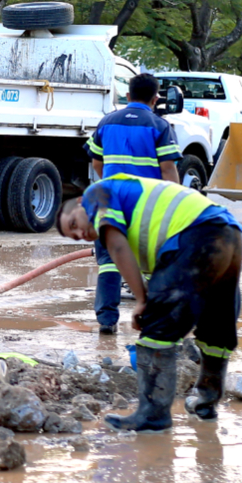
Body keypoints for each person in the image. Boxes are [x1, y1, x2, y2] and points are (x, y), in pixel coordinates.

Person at [57, 174, 242, 431]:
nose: (81, 233)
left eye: (74, 223)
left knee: (157, 328)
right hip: (228, 232)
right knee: (217, 323)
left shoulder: (95, 193)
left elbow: (118, 249)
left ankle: (153, 414)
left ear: (80, 203)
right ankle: (207, 402)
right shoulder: (134, 217)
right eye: (76, 237)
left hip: (195, 233)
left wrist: (143, 301)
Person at [84, 73, 181, 335]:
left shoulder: (106, 122)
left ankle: (106, 321)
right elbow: (168, 169)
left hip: (108, 199)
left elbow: (96, 163)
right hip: (145, 203)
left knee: (108, 261)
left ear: (128, 96)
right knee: (153, 262)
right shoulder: (159, 126)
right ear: (155, 99)